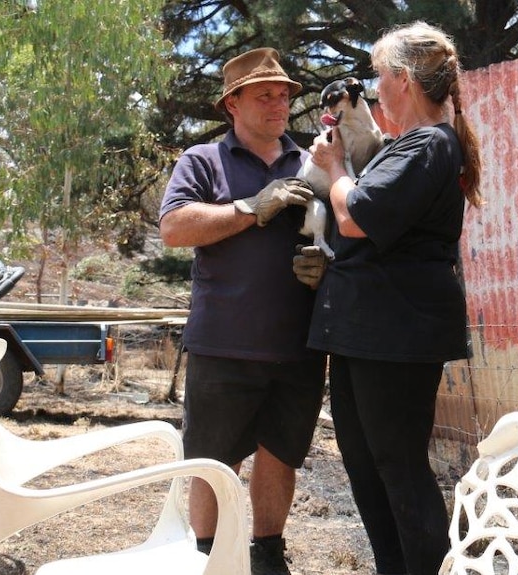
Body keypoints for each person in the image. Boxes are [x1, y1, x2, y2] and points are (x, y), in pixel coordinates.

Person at [293, 21, 482, 575]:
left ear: (402, 79)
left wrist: (331, 169)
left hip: (396, 333)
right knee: (365, 463)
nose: (375, 87)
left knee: (398, 467)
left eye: (379, 76)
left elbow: (356, 216)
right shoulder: (411, 145)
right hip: (366, 329)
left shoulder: (429, 145)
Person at [159, 47, 327, 575]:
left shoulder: (311, 163)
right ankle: (207, 557)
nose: (279, 104)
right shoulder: (203, 160)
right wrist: (251, 207)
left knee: (281, 456)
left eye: (284, 95)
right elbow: (175, 228)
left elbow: (340, 233)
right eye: (264, 95)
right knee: (214, 462)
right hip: (223, 344)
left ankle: (268, 555)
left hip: (298, 345)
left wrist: (328, 264)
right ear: (232, 103)